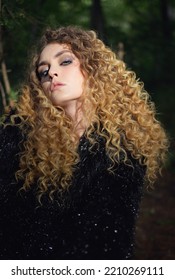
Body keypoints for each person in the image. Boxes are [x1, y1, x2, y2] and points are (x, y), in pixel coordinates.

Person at [0, 25, 168, 260]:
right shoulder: (17, 136)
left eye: (65, 61)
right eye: (43, 70)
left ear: (93, 67)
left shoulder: (124, 148)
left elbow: (115, 240)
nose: (51, 73)